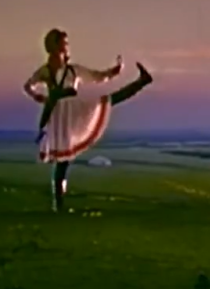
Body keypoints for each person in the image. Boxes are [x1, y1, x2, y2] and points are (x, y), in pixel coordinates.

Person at [23, 28, 153, 212]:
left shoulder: (72, 70)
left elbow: (97, 76)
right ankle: (58, 204)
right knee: (62, 161)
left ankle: (141, 82)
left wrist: (113, 72)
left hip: (70, 111)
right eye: (64, 42)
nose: (67, 46)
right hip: (59, 116)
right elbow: (28, 85)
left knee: (108, 101)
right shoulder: (46, 71)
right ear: (55, 45)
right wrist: (38, 96)